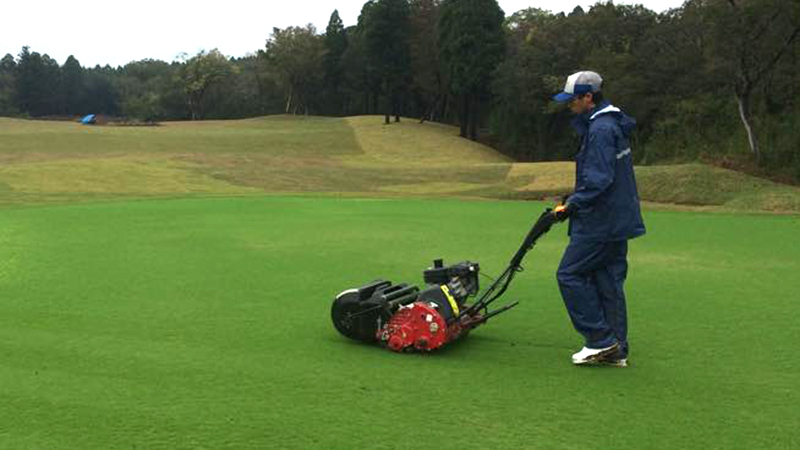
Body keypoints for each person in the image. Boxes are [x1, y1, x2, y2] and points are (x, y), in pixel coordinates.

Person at [551, 71, 646, 367]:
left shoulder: (602, 130)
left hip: (601, 221)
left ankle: (600, 340)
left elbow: (599, 179)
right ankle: (616, 348)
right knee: (608, 281)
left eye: (573, 100)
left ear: (588, 97)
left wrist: (573, 205)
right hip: (617, 219)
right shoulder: (610, 123)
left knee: (569, 274)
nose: (570, 105)